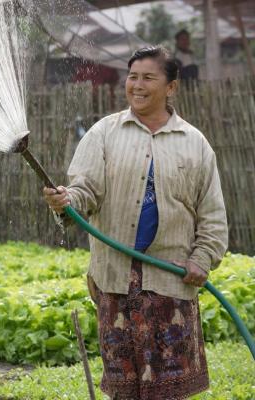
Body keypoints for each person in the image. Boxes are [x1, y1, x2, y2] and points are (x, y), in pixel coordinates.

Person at [44, 46, 227, 399]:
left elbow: (212, 215)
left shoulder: (195, 143)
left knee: (171, 389)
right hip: (115, 279)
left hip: (171, 278)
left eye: (148, 77)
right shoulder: (103, 133)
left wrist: (201, 260)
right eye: (132, 76)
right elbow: (85, 191)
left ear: (171, 86)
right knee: (123, 387)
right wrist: (66, 201)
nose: (137, 85)